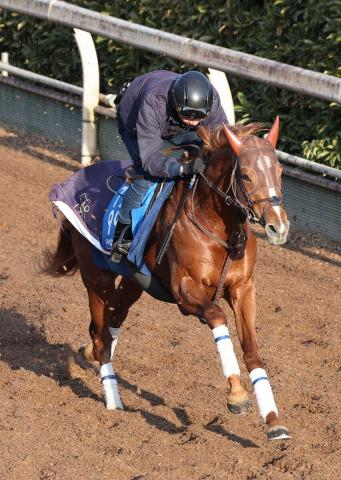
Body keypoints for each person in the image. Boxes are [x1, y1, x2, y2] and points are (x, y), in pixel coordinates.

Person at [111, 69, 228, 259]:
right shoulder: (154, 102)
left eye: (198, 117)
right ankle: (121, 236)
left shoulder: (212, 100)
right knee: (147, 175)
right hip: (134, 120)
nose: (193, 122)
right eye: (188, 115)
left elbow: (221, 139)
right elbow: (151, 161)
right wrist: (182, 168)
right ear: (175, 103)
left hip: (172, 123)